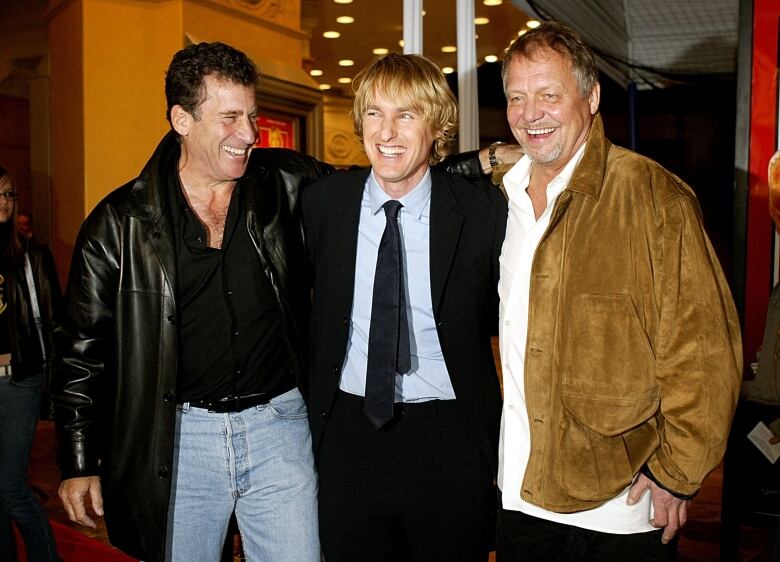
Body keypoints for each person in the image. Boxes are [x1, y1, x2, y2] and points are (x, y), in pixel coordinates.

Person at [53, 42, 505, 562]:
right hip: (181, 437)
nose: (248, 133)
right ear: (182, 119)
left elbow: (397, 177)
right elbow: (80, 350)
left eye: (251, 115)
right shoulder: (118, 224)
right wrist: (79, 458)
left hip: (280, 428)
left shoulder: (286, 185)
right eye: (229, 118)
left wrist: (485, 162)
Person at [494, 22, 742, 560]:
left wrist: (678, 472)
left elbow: (703, 354)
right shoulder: (504, 199)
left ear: (592, 96)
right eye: (517, 97)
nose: (530, 112)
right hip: (518, 497)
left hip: (618, 510)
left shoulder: (654, 198)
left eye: (548, 95)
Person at [304, 53, 506, 562]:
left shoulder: (484, 214)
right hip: (348, 434)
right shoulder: (324, 203)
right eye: (374, 113)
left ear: (436, 125)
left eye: (406, 114)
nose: (387, 130)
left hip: (449, 437)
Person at [0, 166, 61, 562]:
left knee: (11, 488)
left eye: (9, 194)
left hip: (17, 382)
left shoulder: (29, 254)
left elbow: (55, 322)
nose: (4, 201)